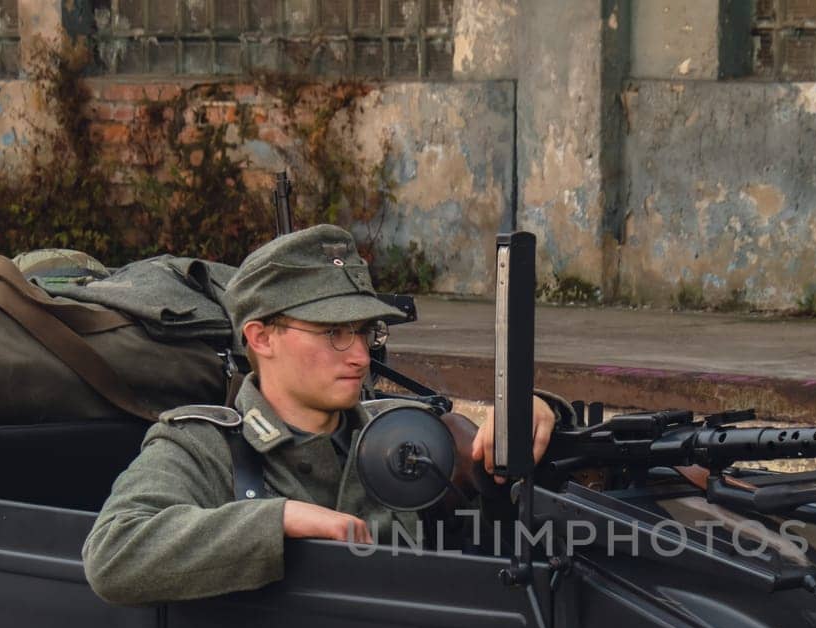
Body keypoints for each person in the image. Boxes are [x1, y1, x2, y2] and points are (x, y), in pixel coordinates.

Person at [82, 225, 557, 606]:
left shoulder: (406, 430)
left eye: (364, 332)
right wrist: (277, 521)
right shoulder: (203, 446)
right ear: (261, 338)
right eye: (333, 333)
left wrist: (538, 412)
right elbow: (113, 553)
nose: (359, 357)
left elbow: (534, 511)